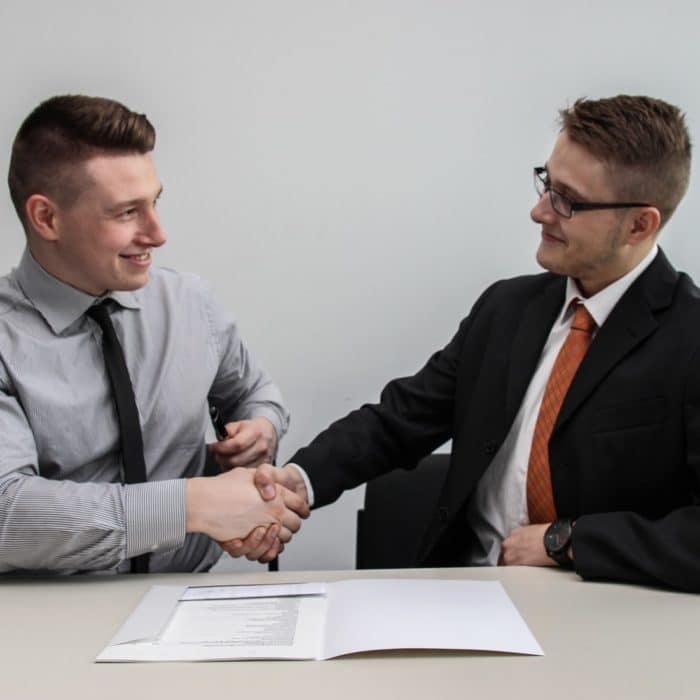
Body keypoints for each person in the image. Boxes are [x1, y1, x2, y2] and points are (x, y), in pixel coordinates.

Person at [237, 94, 700, 592]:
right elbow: (401, 421)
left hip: (608, 617)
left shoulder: (689, 336)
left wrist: (567, 540)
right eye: (546, 183)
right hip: (469, 597)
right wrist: (298, 481)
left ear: (640, 224)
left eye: (568, 200)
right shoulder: (507, 309)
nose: (539, 210)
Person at [0, 94, 308, 574]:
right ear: (47, 218)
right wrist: (191, 505)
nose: (158, 234)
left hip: (188, 603)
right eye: (126, 213)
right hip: (43, 626)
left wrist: (259, 430)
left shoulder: (190, 303)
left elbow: (254, 392)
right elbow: (7, 513)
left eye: (155, 202)